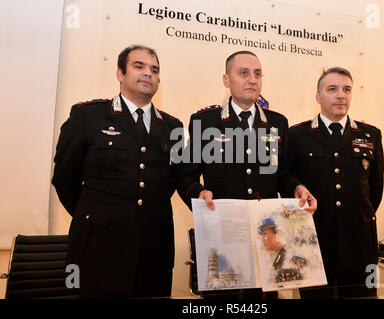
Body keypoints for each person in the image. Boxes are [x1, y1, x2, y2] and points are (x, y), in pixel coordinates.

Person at [177, 51, 317, 298]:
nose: (252, 79)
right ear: (226, 79)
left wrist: (296, 188)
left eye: (257, 74)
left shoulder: (276, 124)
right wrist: (198, 193)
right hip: (222, 234)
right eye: (243, 73)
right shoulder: (205, 121)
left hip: (266, 238)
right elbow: (185, 175)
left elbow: (282, 172)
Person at [52, 44, 183, 298]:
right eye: (139, 66)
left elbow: (171, 181)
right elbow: (64, 179)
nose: (148, 73)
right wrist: (94, 216)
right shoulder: (88, 116)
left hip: (154, 249)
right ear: (120, 74)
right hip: (99, 247)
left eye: (154, 70)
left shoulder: (172, 126)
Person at [287, 67, 384, 298]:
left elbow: (375, 190)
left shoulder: (370, 135)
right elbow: (287, 177)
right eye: (333, 89)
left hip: (361, 244)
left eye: (347, 89)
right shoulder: (297, 135)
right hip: (314, 243)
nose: (341, 95)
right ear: (318, 97)